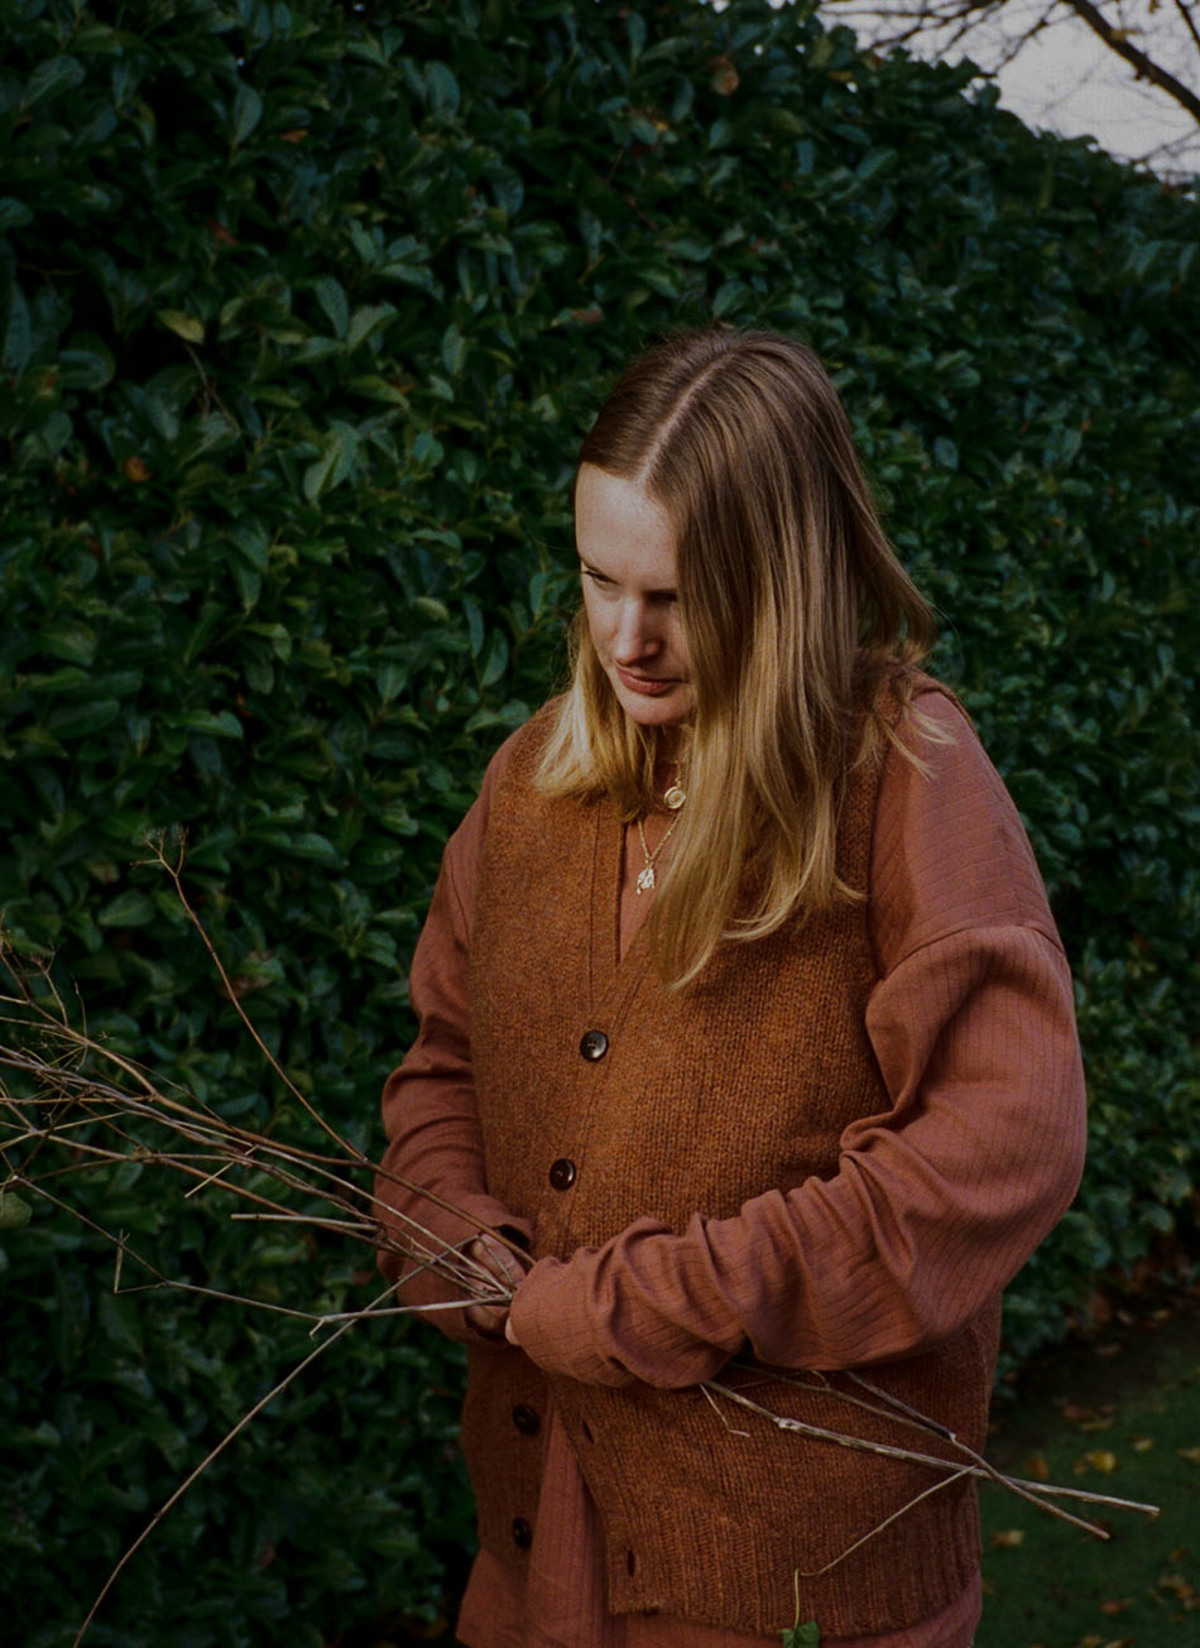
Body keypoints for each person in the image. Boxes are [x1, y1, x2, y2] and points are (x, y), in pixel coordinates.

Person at [374, 328, 1088, 1648]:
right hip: (534, 1558)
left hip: (801, 1585)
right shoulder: (530, 782)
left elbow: (1005, 1140)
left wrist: (670, 1296)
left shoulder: (900, 773)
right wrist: (445, 1223)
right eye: (599, 580)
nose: (626, 639)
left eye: (680, 595)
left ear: (788, 579)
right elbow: (440, 1067)